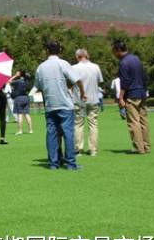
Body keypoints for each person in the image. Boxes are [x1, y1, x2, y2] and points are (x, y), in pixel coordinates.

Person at [34, 40, 86, 170]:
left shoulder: (41, 67)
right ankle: (71, 163)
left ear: (46, 51)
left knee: (52, 134)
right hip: (65, 104)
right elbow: (77, 79)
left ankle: (53, 163)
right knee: (68, 134)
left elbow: (38, 86)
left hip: (50, 105)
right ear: (60, 50)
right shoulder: (63, 63)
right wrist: (82, 93)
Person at [112, 40, 151, 154]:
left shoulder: (123, 62)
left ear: (118, 50)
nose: (113, 54)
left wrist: (120, 98)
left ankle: (139, 148)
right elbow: (144, 76)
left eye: (114, 51)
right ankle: (146, 146)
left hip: (132, 95)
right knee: (143, 121)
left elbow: (125, 82)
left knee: (133, 122)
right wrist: (144, 91)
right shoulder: (136, 59)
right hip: (141, 93)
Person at [72, 49, 104, 156]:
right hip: (93, 98)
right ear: (87, 55)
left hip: (78, 99)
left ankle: (78, 149)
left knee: (78, 124)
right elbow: (99, 81)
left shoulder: (74, 68)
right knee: (93, 124)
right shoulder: (95, 67)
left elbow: (70, 83)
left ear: (77, 57)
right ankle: (93, 149)